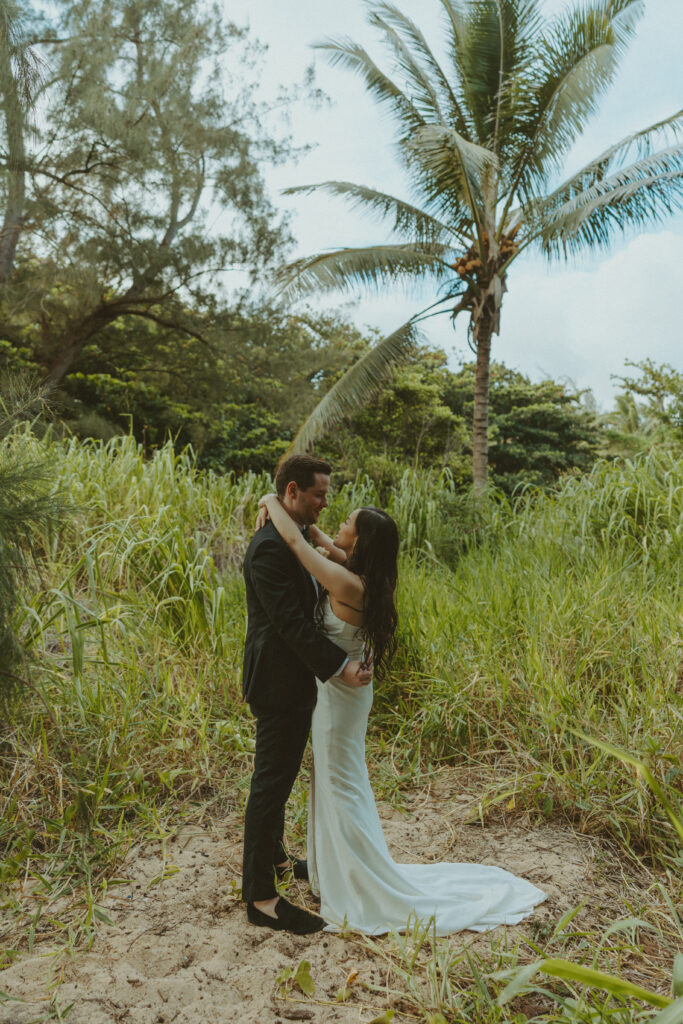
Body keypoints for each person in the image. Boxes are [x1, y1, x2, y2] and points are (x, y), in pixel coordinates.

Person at [256, 492, 547, 935]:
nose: (338, 522)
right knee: (336, 781)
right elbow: (320, 543)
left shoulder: (348, 583)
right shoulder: (364, 573)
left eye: (347, 521)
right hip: (343, 696)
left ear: (360, 539)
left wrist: (269, 500)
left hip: (339, 701)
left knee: (339, 785)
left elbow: (300, 548)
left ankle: (358, 880)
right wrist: (312, 526)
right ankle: (331, 868)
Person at [241, 454, 372, 936]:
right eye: (318, 495)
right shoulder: (270, 548)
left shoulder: (290, 538)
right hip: (278, 680)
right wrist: (341, 666)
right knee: (270, 786)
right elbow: (292, 626)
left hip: (295, 679)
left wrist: (269, 502)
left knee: (280, 778)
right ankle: (261, 898)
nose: (324, 503)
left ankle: (274, 859)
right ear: (292, 491)